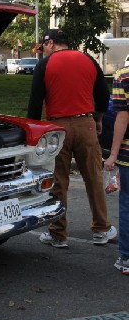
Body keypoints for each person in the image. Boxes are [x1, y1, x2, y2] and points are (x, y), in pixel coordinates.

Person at [27, 29, 116, 248]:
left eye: (43, 48)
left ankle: (58, 233)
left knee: (59, 180)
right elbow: (104, 94)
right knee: (94, 178)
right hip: (86, 123)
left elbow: (35, 103)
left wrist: (34, 133)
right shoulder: (87, 59)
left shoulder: (44, 66)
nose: (42, 53)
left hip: (57, 128)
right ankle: (101, 228)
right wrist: (99, 119)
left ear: (51, 44)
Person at [103, 66, 129, 275]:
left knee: (127, 203)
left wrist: (113, 154)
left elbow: (123, 117)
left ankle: (127, 258)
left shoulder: (123, 75)